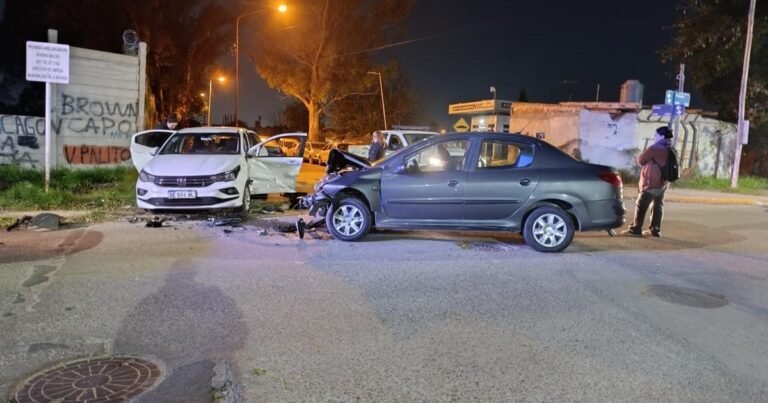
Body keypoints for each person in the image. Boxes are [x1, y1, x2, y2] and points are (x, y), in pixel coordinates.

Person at [623, 126, 673, 237]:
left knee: (641, 204)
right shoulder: (670, 148)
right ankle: (655, 229)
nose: (654, 137)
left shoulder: (655, 148)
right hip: (663, 183)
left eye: (656, 135)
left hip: (652, 182)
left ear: (661, 136)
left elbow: (641, 160)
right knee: (658, 205)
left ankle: (636, 228)